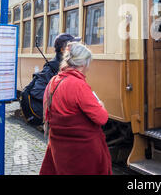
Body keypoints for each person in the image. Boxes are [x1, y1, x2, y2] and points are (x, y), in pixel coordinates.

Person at [40, 42, 112, 175]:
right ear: (83, 64)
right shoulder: (78, 85)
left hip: (60, 150)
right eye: (88, 64)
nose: (88, 68)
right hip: (82, 153)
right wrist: (101, 105)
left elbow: (47, 112)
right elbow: (102, 118)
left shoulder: (53, 81)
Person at [19, 33, 80, 126]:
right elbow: (37, 91)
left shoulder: (66, 64)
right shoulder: (52, 66)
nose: (77, 48)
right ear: (63, 49)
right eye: (73, 46)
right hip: (55, 117)